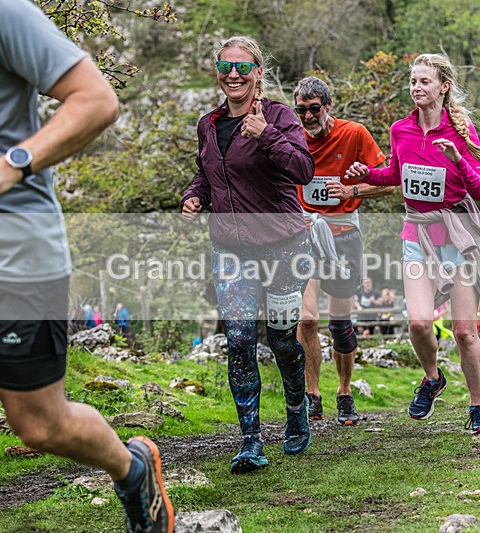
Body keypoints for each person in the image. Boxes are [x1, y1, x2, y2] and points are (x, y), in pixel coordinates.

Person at [0, 2, 173, 531]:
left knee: (40, 424)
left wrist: (10, 164)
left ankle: (132, 469)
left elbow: (96, 99)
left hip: (13, 252)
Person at [346, 52, 480, 434]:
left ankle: (478, 407)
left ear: (443, 87)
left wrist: (458, 159)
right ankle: (433, 379)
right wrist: (366, 174)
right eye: (413, 81)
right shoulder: (401, 129)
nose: (416, 87)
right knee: (417, 323)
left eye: (424, 81)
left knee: (464, 332)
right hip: (417, 234)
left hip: (456, 236)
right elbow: (394, 175)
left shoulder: (461, 131)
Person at [180, 36, 315, 473]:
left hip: (283, 245)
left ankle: (296, 408)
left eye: (242, 67)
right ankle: (250, 441)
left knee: (282, 339)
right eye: (225, 66)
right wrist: (194, 196)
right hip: (231, 249)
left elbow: (303, 170)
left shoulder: (278, 116)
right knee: (238, 339)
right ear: (217, 72)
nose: (233, 74)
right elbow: (207, 174)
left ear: (258, 72)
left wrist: (266, 135)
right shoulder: (208, 124)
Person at [292, 76, 391, 425]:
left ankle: (345, 391)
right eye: (301, 110)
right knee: (307, 318)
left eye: (313, 109)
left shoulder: (354, 133)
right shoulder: (292, 136)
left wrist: (353, 191)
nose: (307, 117)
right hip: (305, 231)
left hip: (345, 232)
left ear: (327, 106)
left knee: (340, 324)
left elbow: (388, 181)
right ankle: (312, 394)